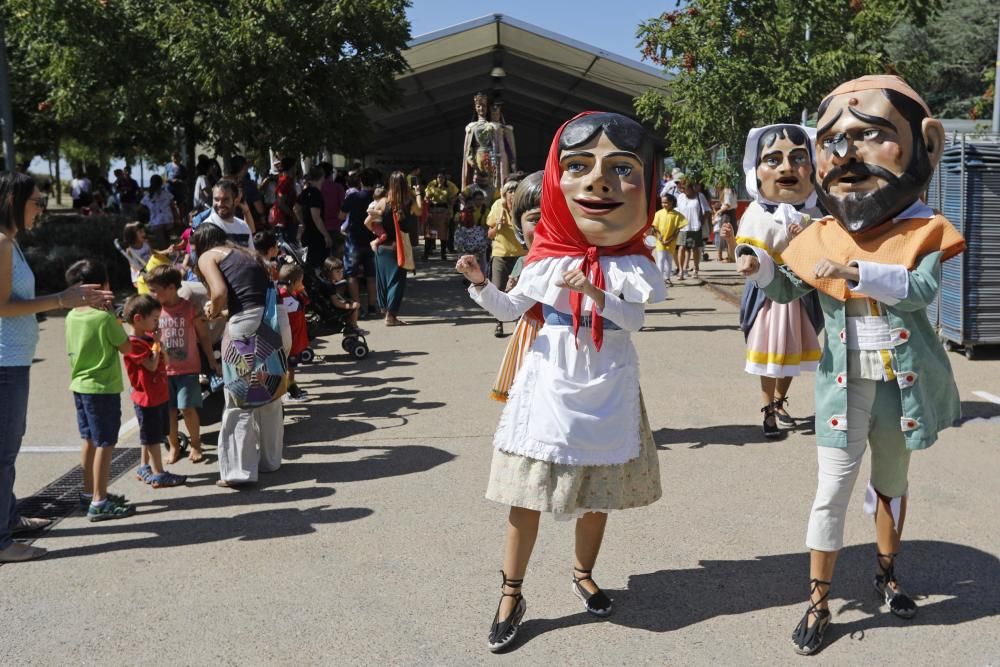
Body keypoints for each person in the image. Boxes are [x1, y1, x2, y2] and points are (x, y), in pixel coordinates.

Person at [734, 76, 965, 655]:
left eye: (870, 135)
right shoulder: (820, 235)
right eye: (833, 140)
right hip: (845, 381)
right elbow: (787, 289)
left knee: (891, 481)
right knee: (832, 488)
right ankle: (818, 600)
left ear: (925, 147)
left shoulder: (924, 228)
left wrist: (857, 273)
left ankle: (888, 576)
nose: (847, 154)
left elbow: (920, 289)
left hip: (899, 383)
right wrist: (759, 269)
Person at [456, 112, 666, 652]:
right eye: (579, 167)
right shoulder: (545, 258)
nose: (600, 183)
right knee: (525, 496)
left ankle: (582, 573)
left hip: (607, 383)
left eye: (622, 169)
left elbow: (636, 320)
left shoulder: (636, 262)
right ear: (557, 180)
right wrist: (481, 286)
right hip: (548, 384)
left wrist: (596, 295)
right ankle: (511, 593)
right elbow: (512, 306)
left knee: (595, 495)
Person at [0, 173, 113, 561]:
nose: (41, 208)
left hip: (13, 359)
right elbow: (1, 306)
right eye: (36, 201)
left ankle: (9, 518)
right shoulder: (0, 243)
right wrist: (62, 299)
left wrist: (65, 298)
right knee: (3, 451)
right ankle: (2, 541)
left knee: (8, 447)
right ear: (14, 200)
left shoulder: (9, 243)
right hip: (5, 361)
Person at [724, 124, 824, 438]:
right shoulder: (755, 213)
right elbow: (744, 252)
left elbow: (825, 253)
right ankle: (768, 408)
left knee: (792, 355)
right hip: (767, 297)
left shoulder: (818, 213)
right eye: (773, 159)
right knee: (769, 355)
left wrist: (807, 237)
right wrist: (739, 250)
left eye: (798, 157)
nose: (786, 167)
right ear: (757, 171)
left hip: (802, 295)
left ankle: (780, 400)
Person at [193, 224, 288, 487]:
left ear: (201, 243)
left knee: (238, 399)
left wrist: (212, 311)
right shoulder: (246, 253)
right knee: (269, 392)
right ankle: (271, 461)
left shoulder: (208, 255)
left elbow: (220, 293)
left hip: (243, 324)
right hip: (270, 320)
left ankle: (238, 472)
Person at [63, 259, 137, 522]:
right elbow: (126, 347)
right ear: (101, 286)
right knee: (106, 443)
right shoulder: (103, 319)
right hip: (102, 389)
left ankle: (88, 493)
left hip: (80, 386)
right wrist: (115, 318)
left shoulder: (71, 315)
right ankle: (100, 500)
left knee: (90, 440)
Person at [146, 265, 219, 464]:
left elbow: (204, 336)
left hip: (187, 369)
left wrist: (212, 362)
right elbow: (146, 338)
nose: (151, 294)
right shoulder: (153, 311)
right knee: (169, 411)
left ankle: (195, 444)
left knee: (187, 408)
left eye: (154, 290)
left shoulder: (189, 308)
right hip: (163, 371)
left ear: (170, 288)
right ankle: (174, 447)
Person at [122, 294, 188, 488]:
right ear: (138, 319)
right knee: (151, 437)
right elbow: (151, 365)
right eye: (154, 319)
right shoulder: (134, 343)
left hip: (159, 393)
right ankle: (158, 473)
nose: (157, 323)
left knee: (152, 434)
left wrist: (160, 346)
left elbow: (165, 362)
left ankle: (144, 467)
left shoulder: (150, 338)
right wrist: (157, 345)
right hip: (146, 397)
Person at [489, 170, 543, 402]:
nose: (544, 227)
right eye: (535, 219)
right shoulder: (527, 262)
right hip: (531, 331)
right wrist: (480, 281)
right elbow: (509, 305)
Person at [367, 171, 416, 327]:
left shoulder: (382, 202)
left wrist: (379, 234)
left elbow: (367, 222)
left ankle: (385, 311)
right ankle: (391, 316)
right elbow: (420, 211)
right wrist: (419, 193)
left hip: (382, 248)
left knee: (383, 281)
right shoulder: (409, 202)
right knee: (397, 282)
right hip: (398, 248)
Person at [486, 175, 526, 337]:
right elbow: (490, 234)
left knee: (519, 290)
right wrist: (498, 226)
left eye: (516, 190)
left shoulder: (523, 207)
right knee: (498, 288)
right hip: (500, 254)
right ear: (504, 194)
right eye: (509, 190)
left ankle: (518, 322)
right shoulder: (497, 206)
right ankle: (499, 323)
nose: (513, 193)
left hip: (521, 256)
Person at [340, 168, 378, 318]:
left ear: (361, 182)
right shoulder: (377, 199)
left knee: (352, 275)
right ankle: (372, 307)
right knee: (371, 275)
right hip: (372, 240)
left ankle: (357, 307)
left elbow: (341, 215)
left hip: (353, 239)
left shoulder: (353, 197)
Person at [278, 263, 310, 402]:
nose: (302, 284)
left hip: (296, 337)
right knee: (289, 366)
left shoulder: (294, 294)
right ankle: (288, 389)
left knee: (292, 365)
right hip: (289, 339)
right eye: (301, 281)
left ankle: (290, 385)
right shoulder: (284, 298)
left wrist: (302, 290)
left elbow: (306, 301)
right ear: (292, 282)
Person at [674, 176, 710, 279]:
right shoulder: (680, 197)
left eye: (685, 188)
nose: (683, 190)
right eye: (682, 188)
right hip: (682, 227)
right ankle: (681, 271)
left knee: (694, 248)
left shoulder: (699, 196)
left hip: (695, 227)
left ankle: (695, 268)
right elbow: (677, 211)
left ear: (691, 187)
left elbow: (707, 210)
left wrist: (702, 221)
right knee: (681, 247)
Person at [300, 166, 333, 270]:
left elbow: (295, 208)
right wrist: (326, 235)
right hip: (316, 236)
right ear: (322, 177)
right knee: (318, 265)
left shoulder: (306, 192)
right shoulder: (316, 193)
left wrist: (303, 222)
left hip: (307, 233)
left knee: (308, 263)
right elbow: (316, 217)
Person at [650, 193, 687, 285]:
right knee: (661, 259)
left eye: (666, 202)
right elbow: (655, 227)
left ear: (671, 202)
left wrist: (669, 240)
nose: (664, 204)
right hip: (660, 241)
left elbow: (678, 229)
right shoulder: (658, 213)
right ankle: (659, 278)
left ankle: (667, 278)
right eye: (662, 203)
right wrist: (659, 237)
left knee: (669, 259)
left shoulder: (677, 215)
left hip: (671, 241)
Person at [204, 180, 254, 248]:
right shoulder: (206, 228)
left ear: (236, 201)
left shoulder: (244, 227)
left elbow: (251, 256)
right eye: (216, 199)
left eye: (225, 199)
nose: (220, 204)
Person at [322, 257, 364, 334]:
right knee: (355, 306)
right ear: (328, 272)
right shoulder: (329, 285)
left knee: (349, 301)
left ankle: (350, 325)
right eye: (337, 272)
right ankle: (353, 327)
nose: (341, 274)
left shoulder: (327, 282)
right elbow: (335, 303)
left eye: (342, 271)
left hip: (328, 306)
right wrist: (349, 306)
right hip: (332, 309)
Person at [423, 169, 459, 261]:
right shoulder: (432, 184)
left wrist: (450, 207)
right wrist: (427, 206)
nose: (440, 179)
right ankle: (426, 253)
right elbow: (426, 197)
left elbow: (455, 196)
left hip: (444, 211)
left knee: (444, 235)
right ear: (436, 178)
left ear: (445, 178)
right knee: (430, 233)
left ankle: (443, 253)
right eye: (439, 177)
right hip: (433, 210)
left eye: (442, 177)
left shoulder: (450, 185)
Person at [141, 174, 179, 249]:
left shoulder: (148, 196)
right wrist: (177, 219)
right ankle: (167, 257)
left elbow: (140, 208)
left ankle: (165, 258)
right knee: (167, 242)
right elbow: (173, 208)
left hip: (156, 222)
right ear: (161, 183)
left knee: (162, 244)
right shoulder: (167, 194)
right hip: (168, 220)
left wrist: (149, 212)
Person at [270, 157, 300, 243]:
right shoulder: (285, 182)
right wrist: (293, 216)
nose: (296, 169)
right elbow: (281, 203)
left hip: (287, 221)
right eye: (295, 167)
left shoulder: (287, 180)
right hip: (286, 221)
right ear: (291, 168)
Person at [319, 162, 346, 255]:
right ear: (331, 173)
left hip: (318, 227)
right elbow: (344, 207)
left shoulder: (316, 188)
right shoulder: (338, 187)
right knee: (335, 260)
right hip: (335, 226)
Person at [121, 221, 153, 287]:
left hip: (152, 270)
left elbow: (153, 255)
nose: (144, 234)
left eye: (143, 231)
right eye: (140, 232)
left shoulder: (146, 243)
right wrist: (146, 272)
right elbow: (134, 266)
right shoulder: (130, 251)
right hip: (140, 275)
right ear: (132, 235)